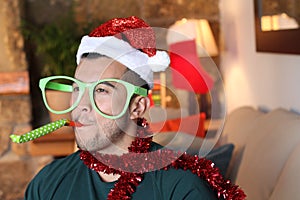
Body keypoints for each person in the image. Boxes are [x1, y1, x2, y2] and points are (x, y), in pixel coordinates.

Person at [25, 16, 245, 200]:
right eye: (76, 89)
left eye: (101, 90)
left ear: (137, 107)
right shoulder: (46, 185)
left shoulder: (179, 187)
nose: (82, 105)